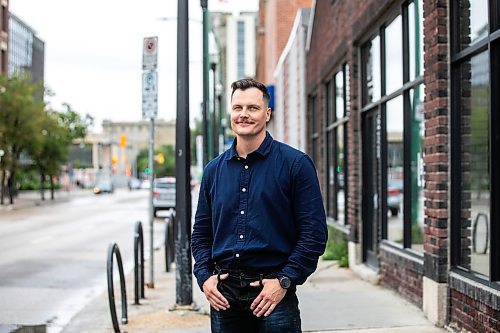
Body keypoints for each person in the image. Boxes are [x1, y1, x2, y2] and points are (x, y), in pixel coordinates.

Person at [192, 78, 327, 333]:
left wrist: (284, 280)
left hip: (274, 294)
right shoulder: (213, 171)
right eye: (237, 108)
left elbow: (314, 234)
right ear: (230, 113)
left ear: (267, 114)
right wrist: (204, 277)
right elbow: (201, 234)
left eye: (252, 108)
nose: (244, 114)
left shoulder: (295, 165)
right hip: (224, 297)